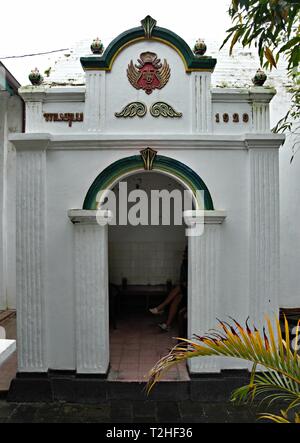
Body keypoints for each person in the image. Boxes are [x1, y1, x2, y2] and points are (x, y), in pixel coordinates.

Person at [149, 246, 188, 331]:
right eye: (184, 253)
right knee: (177, 298)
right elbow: (183, 279)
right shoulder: (185, 263)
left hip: (191, 291)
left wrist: (184, 283)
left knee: (178, 288)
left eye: (186, 253)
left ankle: (161, 307)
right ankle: (167, 325)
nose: (184, 255)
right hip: (185, 291)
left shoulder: (193, 263)